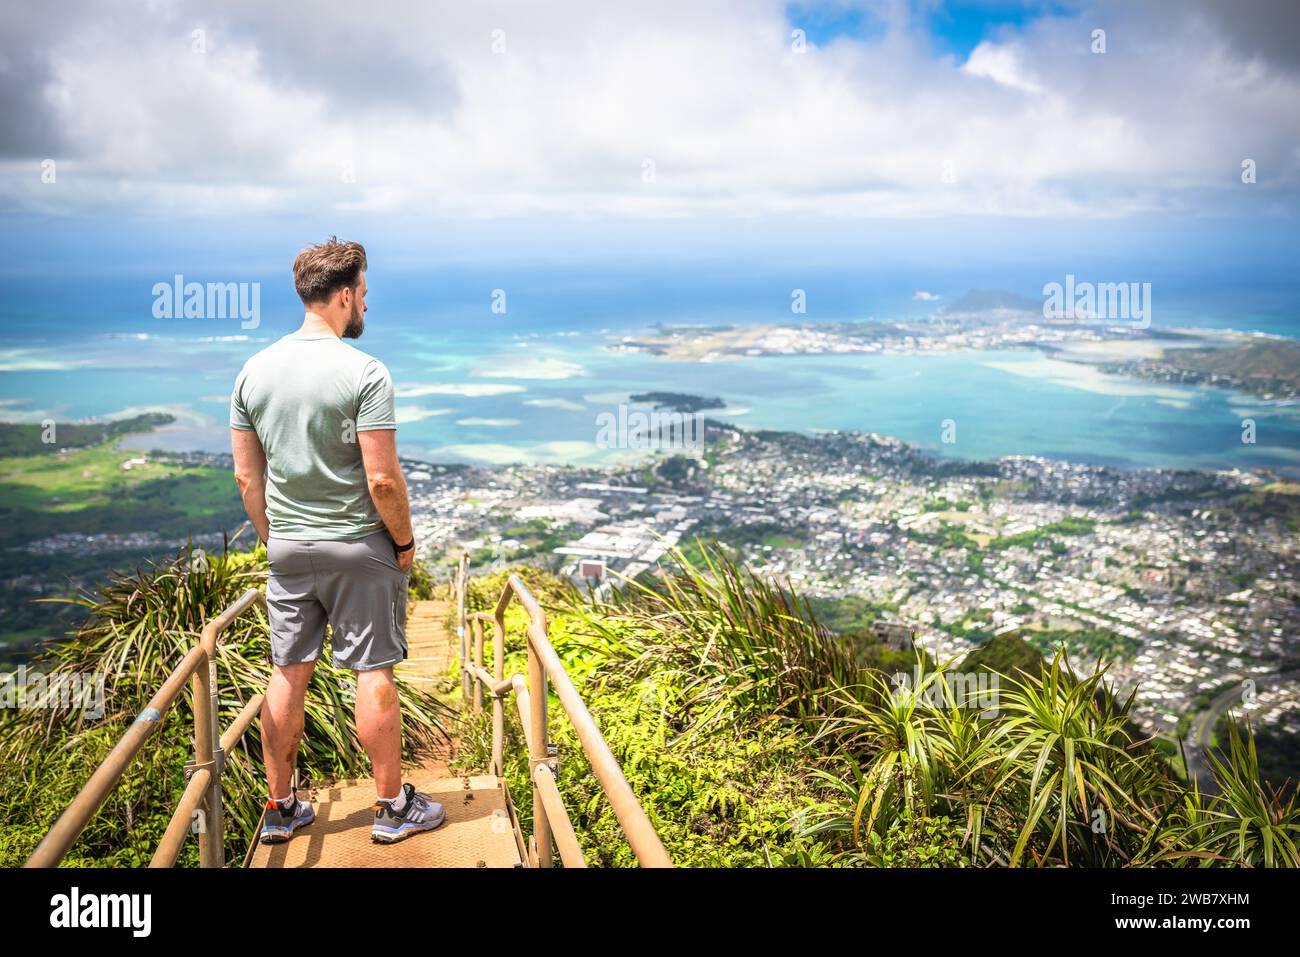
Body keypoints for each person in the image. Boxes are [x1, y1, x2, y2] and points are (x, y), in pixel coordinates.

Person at [230, 237, 445, 845]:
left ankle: (279, 808)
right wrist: (402, 544)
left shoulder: (254, 371)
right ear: (344, 295)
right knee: (373, 672)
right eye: (365, 296)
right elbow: (382, 478)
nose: (367, 309)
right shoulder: (365, 372)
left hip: (289, 549)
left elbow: (248, 476)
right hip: (358, 547)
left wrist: (276, 538)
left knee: (286, 672)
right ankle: (392, 808)